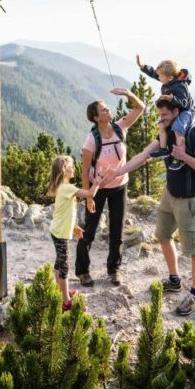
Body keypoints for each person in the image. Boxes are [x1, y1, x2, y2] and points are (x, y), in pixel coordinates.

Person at [104, 98, 195, 315]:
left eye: (164, 115)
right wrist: (118, 172)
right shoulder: (166, 132)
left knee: (193, 249)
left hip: (189, 198)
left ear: (176, 111)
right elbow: (143, 156)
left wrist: (183, 156)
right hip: (169, 194)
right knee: (163, 236)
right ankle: (174, 280)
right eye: (159, 115)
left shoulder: (192, 133)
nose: (160, 118)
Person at [76, 87, 146, 287]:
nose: (108, 111)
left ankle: (114, 269)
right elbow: (84, 170)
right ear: (96, 118)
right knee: (89, 230)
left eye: (107, 108)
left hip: (119, 186)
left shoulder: (120, 128)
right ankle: (82, 271)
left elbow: (140, 107)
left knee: (117, 230)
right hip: (97, 188)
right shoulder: (91, 140)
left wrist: (128, 94)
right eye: (104, 110)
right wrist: (88, 196)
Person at [48, 154, 102, 311]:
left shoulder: (62, 188)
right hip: (59, 234)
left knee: (60, 262)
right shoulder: (67, 188)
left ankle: (61, 290)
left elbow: (65, 213)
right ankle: (66, 301)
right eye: (71, 166)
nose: (74, 168)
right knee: (64, 266)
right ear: (64, 170)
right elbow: (90, 194)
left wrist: (75, 227)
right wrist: (97, 181)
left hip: (57, 230)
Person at [136, 55, 194, 163]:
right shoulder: (168, 80)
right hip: (173, 109)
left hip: (185, 111)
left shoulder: (180, 86)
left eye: (161, 77)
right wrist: (143, 66)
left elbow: (184, 103)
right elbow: (154, 73)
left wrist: (172, 99)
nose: (159, 78)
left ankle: (181, 155)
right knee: (161, 125)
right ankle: (163, 149)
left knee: (178, 128)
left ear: (170, 78)